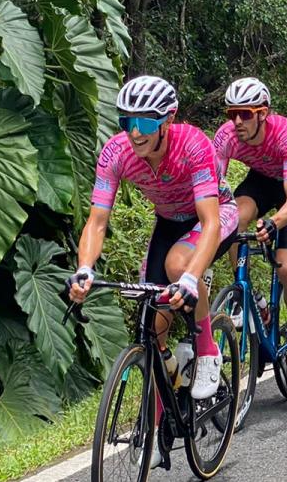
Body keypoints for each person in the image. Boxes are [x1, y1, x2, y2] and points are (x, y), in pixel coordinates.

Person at [68, 76, 239, 402]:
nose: (134, 132)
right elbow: (97, 222)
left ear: (167, 120)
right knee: (151, 327)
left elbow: (210, 221)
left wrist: (189, 279)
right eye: (127, 121)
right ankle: (157, 432)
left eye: (144, 122)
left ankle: (207, 350)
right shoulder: (116, 153)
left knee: (177, 264)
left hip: (215, 214)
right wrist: (85, 269)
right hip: (169, 222)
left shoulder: (192, 144)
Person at [213, 78, 287, 384]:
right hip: (259, 181)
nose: (237, 121)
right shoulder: (226, 136)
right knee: (232, 219)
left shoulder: (284, 132)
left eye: (245, 114)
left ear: (263, 113)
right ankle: (249, 296)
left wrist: (274, 223)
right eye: (232, 113)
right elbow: (212, 189)